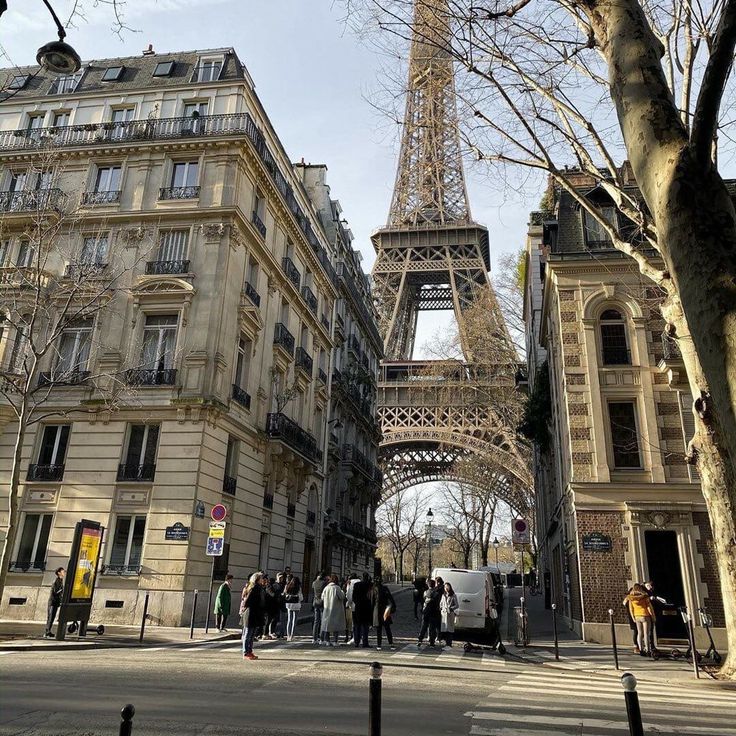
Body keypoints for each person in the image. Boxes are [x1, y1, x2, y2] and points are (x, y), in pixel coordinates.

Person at [625, 583, 657, 656]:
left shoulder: (630, 598)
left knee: (639, 633)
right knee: (646, 634)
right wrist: (653, 616)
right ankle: (648, 650)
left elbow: (631, 609)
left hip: (637, 616)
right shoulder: (645, 596)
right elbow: (649, 608)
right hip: (645, 615)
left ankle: (641, 649)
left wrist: (633, 618)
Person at [241, 573, 267, 660]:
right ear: (257, 579)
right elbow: (247, 601)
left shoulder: (259, 588)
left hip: (255, 613)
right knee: (248, 634)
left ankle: (250, 651)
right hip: (251, 613)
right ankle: (246, 652)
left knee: (252, 635)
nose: (262, 580)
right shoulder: (254, 588)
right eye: (261, 578)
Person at [321, 574, 346, 646]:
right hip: (335, 609)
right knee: (336, 625)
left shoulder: (326, 588)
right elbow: (342, 597)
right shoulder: (337, 588)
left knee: (327, 625)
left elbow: (322, 597)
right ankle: (335, 641)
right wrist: (343, 591)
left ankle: (327, 641)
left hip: (327, 608)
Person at [372, 576, 397, 650]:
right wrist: (393, 607)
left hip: (377, 610)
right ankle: (391, 644)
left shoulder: (373, 589)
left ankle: (379, 645)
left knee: (379, 629)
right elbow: (390, 598)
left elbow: (372, 601)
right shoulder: (385, 588)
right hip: (385, 609)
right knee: (387, 628)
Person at [417, 578, 441, 648]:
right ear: (434, 585)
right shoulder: (436, 593)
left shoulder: (425, 592)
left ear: (428, 585)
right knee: (432, 628)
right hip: (434, 612)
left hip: (426, 612)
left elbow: (423, 600)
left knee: (423, 627)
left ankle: (420, 640)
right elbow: (438, 603)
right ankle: (431, 643)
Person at [352, 573, 373, 648]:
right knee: (365, 626)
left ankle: (356, 642)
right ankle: (365, 642)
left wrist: (357, 602)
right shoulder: (369, 585)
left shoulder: (357, 585)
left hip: (358, 607)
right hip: (366, 607)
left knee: (357, 625)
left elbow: (353, 596)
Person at [45, 567, 65, 638]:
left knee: (52, 617)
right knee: (50, 617)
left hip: (56, 601)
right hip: (52, 601)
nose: (64, 572)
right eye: (63, 571)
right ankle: (47, 632)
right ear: (59, 573)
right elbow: (55, 591)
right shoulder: (56, 580)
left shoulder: (60, 580)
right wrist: (62, 590)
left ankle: (48, 631)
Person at [440, 581, 459, 647]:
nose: (446, 588)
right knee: (444, 629)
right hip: (444, 614)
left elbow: (457, 605)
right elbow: (441, 604)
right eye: (445, 587)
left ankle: (449, 643)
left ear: (450, 587)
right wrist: (441, 608)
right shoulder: (443, 595)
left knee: (450, 629)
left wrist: (451, 608)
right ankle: (446, 642)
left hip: (450, 614)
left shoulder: (453, 595)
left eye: (447, 587)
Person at [284, 576, 303, 641]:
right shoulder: (298, 588)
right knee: (294, 621)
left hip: (289, 604)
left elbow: (285, 594)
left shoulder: (288, 586)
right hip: (296, 605)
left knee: (289, 620)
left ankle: (288, 635)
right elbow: (301, 597)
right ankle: (292, 635)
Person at [622, 586, 640, 652]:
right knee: (636, 631)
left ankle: (637, 645)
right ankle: (636, 646)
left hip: (633, 616)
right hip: (633, 616)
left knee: (637, 631)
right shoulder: (629, 599)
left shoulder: (627, 599)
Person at [312, 572, 327, 645]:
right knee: (322, 621)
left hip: (315, 602)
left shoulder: (314, 582)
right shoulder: (324, 583)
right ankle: (321, 638)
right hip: (322, 602)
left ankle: (314, 638)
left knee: (316, 621)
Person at [345, 573, 359, 644]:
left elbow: (349, 594)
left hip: (353, 605)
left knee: (354, 622)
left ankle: (354, 637)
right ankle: (360, 637)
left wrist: (349, 603)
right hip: (361, 605)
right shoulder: (360, 581)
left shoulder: (350, 583)